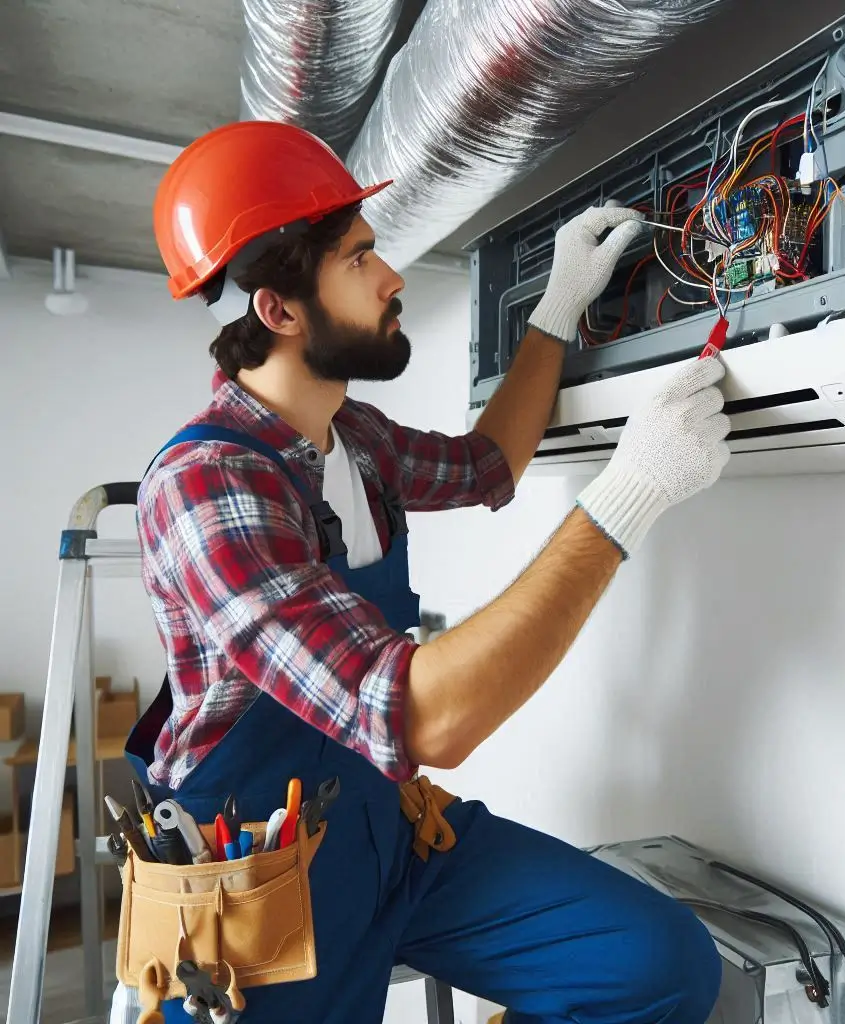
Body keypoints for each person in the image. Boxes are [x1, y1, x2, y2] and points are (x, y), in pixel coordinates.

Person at [122, 120, 731, 1024]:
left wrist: (558, 308)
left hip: (388, 830)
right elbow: (420, 716)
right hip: (251, 887)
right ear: (279, 312)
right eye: (361, 259)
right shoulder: (207, 483)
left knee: (661, 963)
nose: (392, 277)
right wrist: (628, 494)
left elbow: (491, 461)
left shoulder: (353, 439)